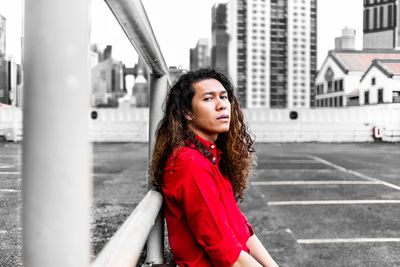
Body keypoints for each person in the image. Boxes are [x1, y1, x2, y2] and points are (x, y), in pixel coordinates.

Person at [151, 68, 278, 267]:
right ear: (187, 112)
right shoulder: (189, 163)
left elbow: (241, 230)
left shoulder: (210, 157)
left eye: (224, 97)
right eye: (208, 99)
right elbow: (223, 249)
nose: (221, 106)